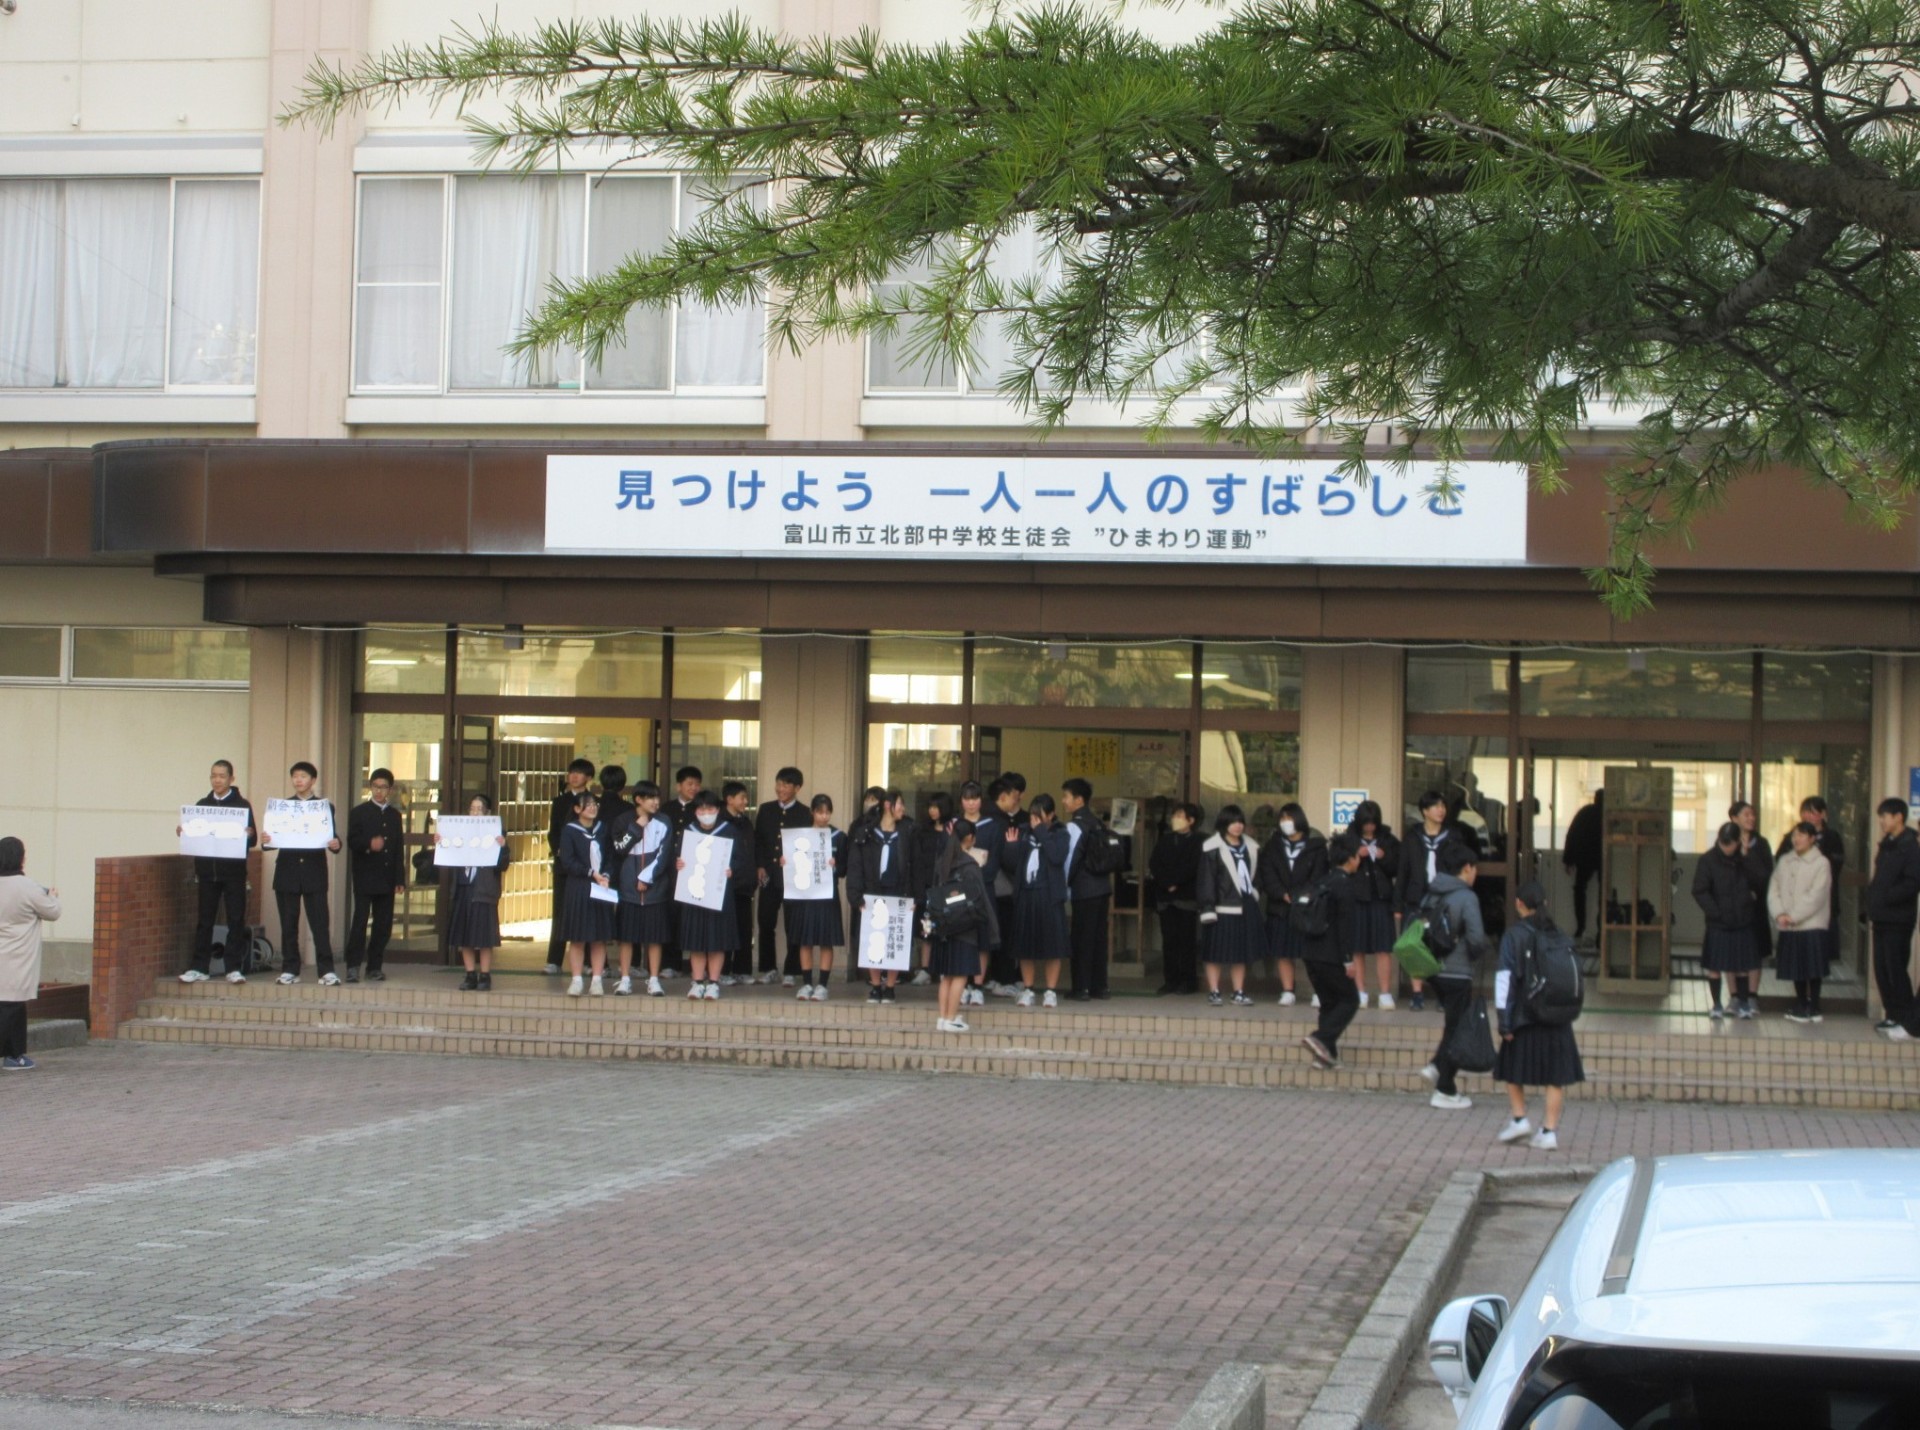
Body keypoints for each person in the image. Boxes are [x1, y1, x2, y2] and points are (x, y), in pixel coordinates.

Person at [1492, 881, 1584, 1150]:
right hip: (1558, 1016)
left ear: (1519, 904)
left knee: (1512, 1068)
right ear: (1545, 903)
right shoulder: (1559, 934)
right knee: (1555, 1077)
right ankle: (1549, 1131)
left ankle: (1519, 1118)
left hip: (1526, 1015)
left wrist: (1504, 1020)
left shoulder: (1513, 936)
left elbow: (1505, 979)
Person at [1422, 842, 1491, 1110]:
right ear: (1466, 868)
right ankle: (1444, 1087)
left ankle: (1437, 1067)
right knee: (1459, 1030)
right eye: (1475, 868)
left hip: (1433, 969)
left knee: (1454, 1025)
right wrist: (1478, 953)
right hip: (1458, 971)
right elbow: (1475, 937)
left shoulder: (1433, 892)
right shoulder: (1466, 897)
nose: (1476, 873)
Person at [259, 761, 342, 986]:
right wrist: (266, 840)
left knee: (320, 924)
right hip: (287, 872)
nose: (298, 780)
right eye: (295, 776)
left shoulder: (324, 807)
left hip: (314, 873)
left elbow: (332, 837)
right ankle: (290, 969)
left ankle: (326, 971)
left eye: (303, 776)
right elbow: (270, 841)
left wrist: (336, 844)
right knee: (289, 925)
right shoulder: (282, 807)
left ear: (313, 780)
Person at [178, 759, 256, 984]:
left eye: (222, 776)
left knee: (235, 919)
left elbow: (252, 840)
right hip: (207, 872)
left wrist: (249, 834)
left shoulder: (241, 805)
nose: (217, 780)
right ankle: (199, 967)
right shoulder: (202, 804)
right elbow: (195, 835)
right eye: (213, 776)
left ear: (231, 779)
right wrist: (184, 831)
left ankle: (233, 967)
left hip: (233, 872)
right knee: (205, 920)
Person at [676, 790, 751, 1000]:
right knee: (696, 941)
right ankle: (697, 981)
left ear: (717, 810)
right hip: (694, 895)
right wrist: (679, 863)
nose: (705, 813)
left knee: (717, 940)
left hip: (719, 894)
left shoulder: (729, 830)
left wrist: (732, 869)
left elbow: (741, 859)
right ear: (695, 812)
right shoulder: (688, 831)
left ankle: (714, 983)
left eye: (709, 809)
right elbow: (679, 856)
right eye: (701, 809)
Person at [1397, 791, 1468, 1011]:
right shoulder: (1412, 836)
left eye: (1443, 806)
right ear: (1424, 811)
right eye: (1436, 806)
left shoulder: (1453, 835)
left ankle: (1442, 995)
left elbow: (1461, 868)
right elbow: (1403, 871)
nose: (1441, 810)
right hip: (1416, 899)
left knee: (1442, 946)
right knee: (1415, 946)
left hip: (1444, 898)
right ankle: (1417, 994)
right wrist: (1397, 904)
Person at [927, 818, 999, 1033]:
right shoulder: (969, 865)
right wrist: (993, 929)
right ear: (969, 838)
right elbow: (980, 898)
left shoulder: (942, 861)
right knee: (960, 975)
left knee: (946, 976)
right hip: (964, 927)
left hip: (943, 927)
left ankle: (943, 1018)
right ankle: (951, 1018)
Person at [1001, 792, 1069, 1008]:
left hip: (1050, 895)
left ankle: (1050, 991)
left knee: (1053, 947)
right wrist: (1011, 846)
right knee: (1024, 946)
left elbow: (1056, 856)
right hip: (1026, 894)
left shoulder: (1060, 833)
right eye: (1032, 817)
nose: (1034, 821)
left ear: (1051, 814)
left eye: (1039, 817)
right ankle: (1028, 989)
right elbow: (1011, 864)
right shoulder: (1023, 832)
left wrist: (1041, 831)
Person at [848, 788, 916, 1003]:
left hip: (898, 892)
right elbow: (855, 866)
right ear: (888, 806)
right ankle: (876, 985)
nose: (903, 809)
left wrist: (915, 897)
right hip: (872, 893)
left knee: (895, 939)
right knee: (873, 940)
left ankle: (891, 986)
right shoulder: (866, 833)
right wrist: (856, 896)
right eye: (900, 804)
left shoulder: (908, 832)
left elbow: (917, 867)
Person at [1299, 834, 1361, 1069]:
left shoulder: (1323, 880)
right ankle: (1321, 1038)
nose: (1359, 860)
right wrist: (1347, 960)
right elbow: (1344, 926)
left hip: (1310, 952)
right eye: (1358, 856)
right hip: (1331, 955)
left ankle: (1325, 1056)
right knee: (1349, 1000)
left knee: (1329, 1003)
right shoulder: (1345, 885)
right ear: (1351, 858)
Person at [1196, 804, 1266, 1008]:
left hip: (1245, 905)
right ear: (1224, 823)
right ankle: (1214, 991)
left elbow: (1258, 876)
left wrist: (1255, 892)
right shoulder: (1212, 847)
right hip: (1221, 907)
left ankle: (1238, 992)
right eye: (1233, 822)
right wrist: (1208, 907)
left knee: (1240, 953)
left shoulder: (1251, 847)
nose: (1237, 826)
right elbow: (1206, 880)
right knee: (1214, 952)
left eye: (1240, 822)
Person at [0, 837, 59, 1071]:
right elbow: (53, 912)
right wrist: (52, 895)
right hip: (18, 955)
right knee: (12, 1005)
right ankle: (14, 1056)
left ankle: (14, 1055)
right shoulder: (27, 887)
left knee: (9, 1005)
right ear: (21, 859)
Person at [608, 780, 672, 996]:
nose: (656, 802)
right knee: (626, 937)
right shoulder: (623, 820)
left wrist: (647, 878)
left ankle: (654, 980)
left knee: (654, 938)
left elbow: (664, 855)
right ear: (638, 800)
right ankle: (625, 979)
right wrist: (637, 827)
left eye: (657, 797)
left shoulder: (664, 821)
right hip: (628, 890)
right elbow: (619, 848)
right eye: (650, 798)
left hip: (655, 890)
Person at [441, 794, 509, 992]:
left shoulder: (497, 833)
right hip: (463, 886)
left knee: (484, 937)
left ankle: (485, 975)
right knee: (464, 935)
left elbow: (502, 865)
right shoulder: (459, 831)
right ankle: (470, 974)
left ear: (488, 813)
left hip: (483, 889)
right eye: (472, 809)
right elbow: (448, 852)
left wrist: (503, 848)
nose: (475, 812)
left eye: (479, 809)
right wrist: (441, 841)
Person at [344, 767, 406, 984]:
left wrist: (399, 879)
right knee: (360, 921)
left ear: (390, 790)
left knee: (383, 925)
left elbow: (398, 849)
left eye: (383, 787)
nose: (379, 791)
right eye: (375, 787)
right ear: (370, 787)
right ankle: (353, 966)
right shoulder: (359, 812)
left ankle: (374, 966)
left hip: (387, 878)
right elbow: (352, 841)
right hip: (365, 876)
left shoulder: (394, 815)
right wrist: (369, 844)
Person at [1259, 801, 1324, 1007]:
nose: (1286, 822)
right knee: (1283, 951)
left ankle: (1319, 991)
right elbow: (1267, 873)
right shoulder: (1273, 846)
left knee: (1311, 953)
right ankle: (1287, 990)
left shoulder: (1316, 846)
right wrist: (1281, 893)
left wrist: (1303, 895)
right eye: (1283, 818)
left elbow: (1320, 875)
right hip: (1280, 907)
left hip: (1307, 908)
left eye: (1289, 818)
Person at [1865, 797, 1920, 1041]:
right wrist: (1873, 901)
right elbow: (1879, 879)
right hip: (1881, 917)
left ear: (1898, 817)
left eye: (1884, 816)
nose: (1881, 821)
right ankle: (1892, 1013)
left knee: (1895, 967)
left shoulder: (1910, 846)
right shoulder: (1887, 844)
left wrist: (1886, 897)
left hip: (1899, 918)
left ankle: (1905, 1017)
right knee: (1881, 967)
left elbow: (1912, 883)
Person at [1693, 821, 1759, 1020]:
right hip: (1718, 923)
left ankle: (1744, 1004)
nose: (1727, 848)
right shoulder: (1708, 860)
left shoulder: (1744, 860)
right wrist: (1716, 912)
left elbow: (1759, 880)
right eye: (1724, 844)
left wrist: (1747, 856)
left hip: (1742, 921)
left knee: (1741, 966)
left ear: (1738, 842)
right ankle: (1716, 1005)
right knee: (1714, 966)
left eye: (1731, 844)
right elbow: (1699, 890)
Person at [1770, 822, 1833, 1024]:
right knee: (1795, 966)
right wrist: (1779, 913)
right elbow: (1774, 889)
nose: (1796, 839)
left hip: (1812, 923)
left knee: (1813, 967)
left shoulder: (1821, 863)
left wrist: (1794, 916)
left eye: (1802, 835)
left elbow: (1817, 895)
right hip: (1789, 923)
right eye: (1794, 835)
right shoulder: (1785, 860)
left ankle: (1814, 1006)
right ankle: (1800, 1003)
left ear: (1812, 839)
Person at [786, 794, 846, 1000]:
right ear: (812, 812)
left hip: (827, 895)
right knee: (805, 940)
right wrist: (786, 862)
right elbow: (792, 864)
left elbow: (844, 869)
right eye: (820, 812)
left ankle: (822, 985)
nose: (824, 816)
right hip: (805, 895)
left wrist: (835, 866)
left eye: (827, 812)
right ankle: (806, 984)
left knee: (826, 941)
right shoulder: (799, 836)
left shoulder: (838, 836)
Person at [754, 766, 809, 986]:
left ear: (797, 788)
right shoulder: (766, 809)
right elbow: (759, 841)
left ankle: (791, 971)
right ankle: (768, 968)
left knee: (793, 924)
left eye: (786, 784)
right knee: (765, 921)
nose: (781, 788)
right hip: (769, 875)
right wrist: (760, 865)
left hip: (794, 877)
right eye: (778, 783)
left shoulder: (805, 813)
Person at [1060, 778, 1114, 1001]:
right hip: (1102, 887)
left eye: (1066, 796)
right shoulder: (1098, 823)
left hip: (1084, 889)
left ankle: (1080, 988)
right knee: (1099, 939)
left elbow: (1070, 859)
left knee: (1082, 938)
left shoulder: (1075, 825)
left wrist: (1063, 886)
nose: (1063, 801)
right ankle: (1099, 987)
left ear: (1079, 800)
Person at [1344, 800, 1401, 1009]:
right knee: (1357, 947)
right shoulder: (1348, 839)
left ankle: (1385, 992)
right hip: (1356, 899)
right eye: (1366, 823)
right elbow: (1338, 864)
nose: (1370, 827)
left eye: (1373, 823)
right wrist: (1356, 855)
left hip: (1381, 899)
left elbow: (1398, 867)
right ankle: (1360, 992)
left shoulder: (1388, 839)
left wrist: (1383, 857)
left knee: (1383, 947)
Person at [556, 791, 613, 996]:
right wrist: (590, 873)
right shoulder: (569, 831)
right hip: (579, 886)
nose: (592, 807)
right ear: (577, 809)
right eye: (587, 804)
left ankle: (597, 979)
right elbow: (567, 861)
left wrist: (606, 874)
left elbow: (610, 856)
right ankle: (577, 979)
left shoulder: (603, 828)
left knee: (599, 937)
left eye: (594, 804)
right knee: (577, 936)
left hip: (601, 886)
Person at [545, 758, 596, 974]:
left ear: (588, 777)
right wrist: (560, 851)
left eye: (579, 773)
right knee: (560, 911)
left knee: (588, 912)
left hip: (588, 867)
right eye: (572, 772)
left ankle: (589, 963)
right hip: (564, 866)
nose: (574, 776)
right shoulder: (559, 802)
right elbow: (553, 833)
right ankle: (554, 960)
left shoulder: (594, 802)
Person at [1148, 801, 1204, 995]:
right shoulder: (1165, 840)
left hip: (1186, 898)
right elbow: (1154, 863)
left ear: (1191, 820)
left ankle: (1188, 981)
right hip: (1166, 898)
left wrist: (1175, 882)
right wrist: (1166, 883)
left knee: (1186, 941)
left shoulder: (1198, 841)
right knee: (1169, 941)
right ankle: (1170, 980)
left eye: (1180, 816)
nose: (1175, 819)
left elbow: (1193, 866)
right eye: (1175, 815)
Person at [979, 778, 1026, 997]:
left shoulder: (981, 818)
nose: (1016, 802)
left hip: (981, 885)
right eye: (1014, 798)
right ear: (1003, 797)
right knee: (1004, 934)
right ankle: (1004, 979)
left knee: (987, 935)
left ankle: (987, 979)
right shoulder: (1000, 822)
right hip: (1001, 886)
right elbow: (1007, 858)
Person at [910, 793, 954, 988]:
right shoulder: (922, 831)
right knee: (926, 930)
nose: (932, 811)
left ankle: (946, 968)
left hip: (947, 888)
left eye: (936, 807)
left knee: (947, 930)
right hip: (927, 887)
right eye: (930, 807)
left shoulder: (952, 830)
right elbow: (917, 861)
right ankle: (926, 969)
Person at [720, 781, 757, 985]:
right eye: (742, 797)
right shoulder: (720, 822)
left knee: (744, 928)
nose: (745, 801)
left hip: (745, 885)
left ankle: (742, 970)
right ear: (729, 799)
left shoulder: (746, 823)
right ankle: (722, 971)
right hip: (725, 886)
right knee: (726, 929)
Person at [1729, 800, 1775, 965]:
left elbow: (1766, 872)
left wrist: (1747, 855)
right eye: (1746, 815)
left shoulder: (1761, 843)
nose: (1751, 818)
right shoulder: (1727, 840)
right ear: (1734, 818)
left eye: (1753, 815)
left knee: (1755, 952)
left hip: (1756, 901)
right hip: (1733, 903)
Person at [1562, 789, 1605, 943]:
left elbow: (1572, 834)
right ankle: (1602, 931)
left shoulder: (1585, 813)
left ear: (1595, 799)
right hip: (1603, 858)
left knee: (1580, 890)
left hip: (1584, 857)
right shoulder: (1608, 815)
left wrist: (1568, 860)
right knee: (1604, 894)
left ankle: (1581, 928)